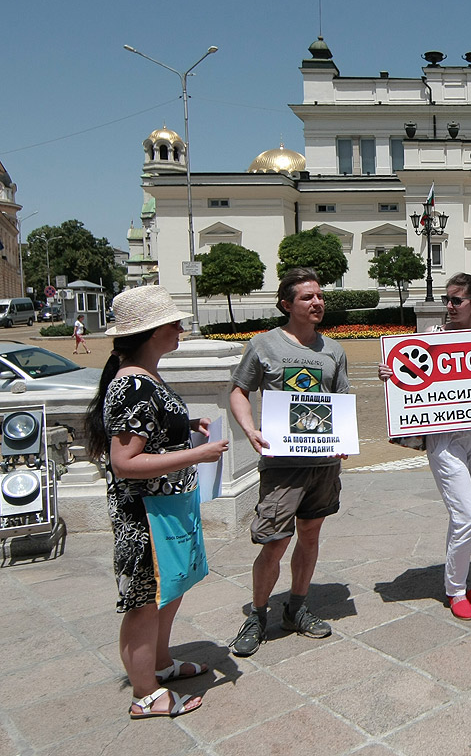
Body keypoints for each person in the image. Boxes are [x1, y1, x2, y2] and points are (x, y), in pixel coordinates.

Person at [84, 285, 229, 719]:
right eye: (173, 323)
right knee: (144, 602)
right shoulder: (132, 384)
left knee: (167, 590)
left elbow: (150, 428)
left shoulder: (142, 375)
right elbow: (125, 461)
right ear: (151, 332)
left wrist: (187, 423)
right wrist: (197, 453)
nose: (181, 328)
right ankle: (146, 692)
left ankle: (160, 664)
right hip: (145, 514)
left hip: (166, 508)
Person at [378, 273, 471, 621]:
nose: (448, 306)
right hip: (445, 439)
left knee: (463, 515)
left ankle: (458, 577)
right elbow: (408, 374)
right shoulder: (433, 339)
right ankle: (455, 590)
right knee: (468, 516)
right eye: (447, 299)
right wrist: (391, 374)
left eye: (455, 300)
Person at [229, 267, 350, 656]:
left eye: (319, 296)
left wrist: (345, 438)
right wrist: (249, 430)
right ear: (287, 304)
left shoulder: (334, 350)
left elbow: (341, 402)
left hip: (324, 463)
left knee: (311, 536)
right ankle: (258, 614)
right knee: (275, 542)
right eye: (307, 297)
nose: (317, 303)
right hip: (282, 464)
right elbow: (238, 390)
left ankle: (297, 607)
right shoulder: (264, 345)